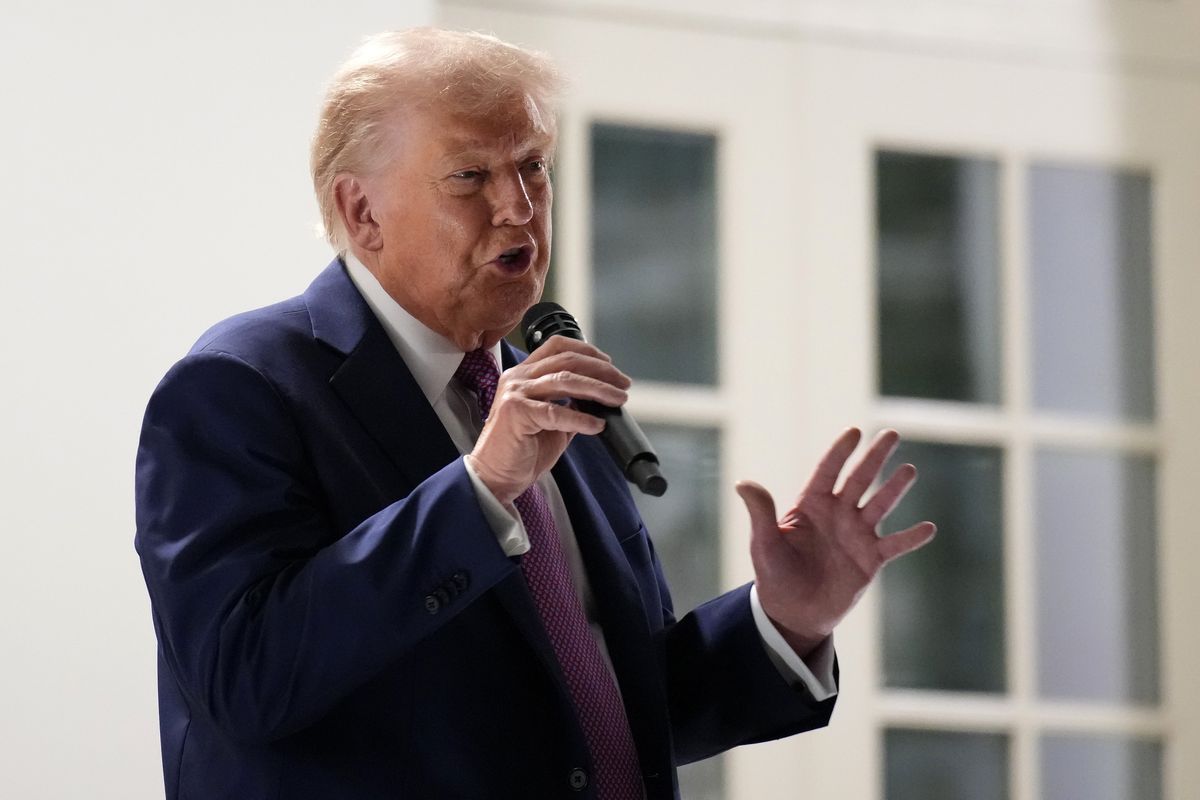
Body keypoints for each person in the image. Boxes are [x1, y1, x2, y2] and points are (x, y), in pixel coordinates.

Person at [134, 28, 935, 800]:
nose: (518, 207)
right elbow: (243, 681)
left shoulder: (543, 399)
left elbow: (605, 715)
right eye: (470, 176)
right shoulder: (237, 388)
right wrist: (481, 488)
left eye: (533, 168)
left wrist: (784, 622)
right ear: (363, 212)